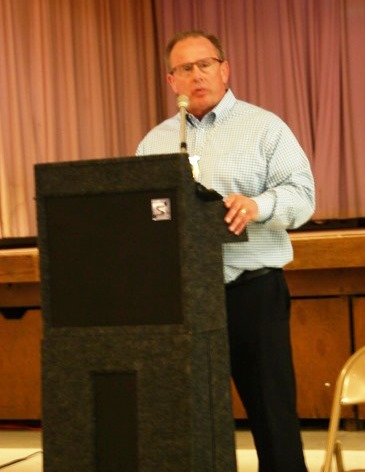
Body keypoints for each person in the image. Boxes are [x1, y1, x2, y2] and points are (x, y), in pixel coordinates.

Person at [136, 30, 315, 472]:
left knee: (272, 418)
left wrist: (257, 206)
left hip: (252, 293)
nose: (197, 75)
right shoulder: (155, 142)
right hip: (184, 302)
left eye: (205, 64)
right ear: (171, 80)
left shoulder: (264, 127)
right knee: (189, 419)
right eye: (185, 69)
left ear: (224, 69)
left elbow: (303, 196)